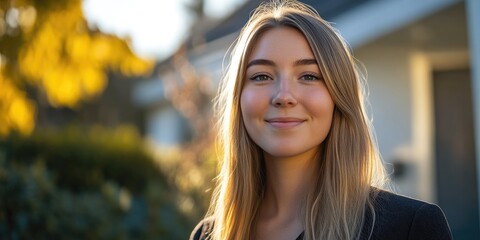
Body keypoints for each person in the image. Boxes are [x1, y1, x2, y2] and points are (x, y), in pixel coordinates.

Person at [190, 0, 452, 239]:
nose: (283, 96)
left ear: (339, 98)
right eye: (261, 76)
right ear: (239, 100)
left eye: (308, 76)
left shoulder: (410, 228)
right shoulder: (209, 235)